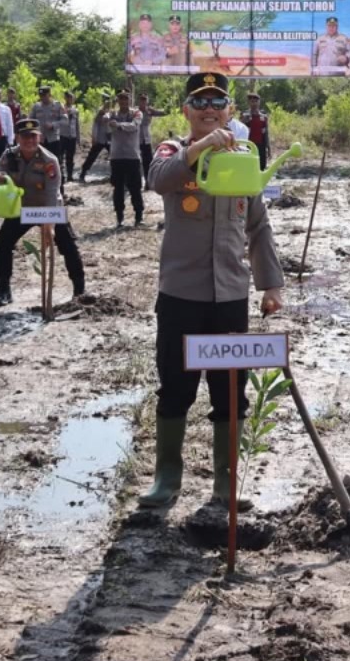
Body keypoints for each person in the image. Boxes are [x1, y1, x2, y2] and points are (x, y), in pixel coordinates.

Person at [139, 70, 284, 509]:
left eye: (217, 102)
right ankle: (167, 478)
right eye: (199, 102)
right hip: (181, 295)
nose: (208, 109)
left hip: (230, 297)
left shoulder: (243, 159)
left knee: (230, 391)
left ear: (229, 111)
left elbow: (257, 226)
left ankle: (225, 481)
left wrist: (270, 285)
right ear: (186, 111)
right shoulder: (174, 151)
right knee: (176, 387)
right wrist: (199, 148)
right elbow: (157, 179)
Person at [0, 117, 86, 306]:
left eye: (33, 136)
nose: (29, 141)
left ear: (40, 137)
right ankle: (3, 291)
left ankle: (80, 290)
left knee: (68, 246)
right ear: (17, 138)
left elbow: (52, 193)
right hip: (23, 209)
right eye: (25, 137)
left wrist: (49, 225)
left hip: (49, 208)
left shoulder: (49, 160)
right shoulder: (8, 156)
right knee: (3, 244)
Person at [106, 90, 144, 226]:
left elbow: (134, 126)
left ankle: (139, 215)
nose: (123, 102)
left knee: (135, 187)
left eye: (126, 99)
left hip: (132, 155)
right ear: (118, 101)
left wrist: (118, 126)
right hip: (117, 156)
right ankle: (119, 216)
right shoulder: (112, 114)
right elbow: (106, 122)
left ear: (130, 100)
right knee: (118, 188)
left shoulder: (136, 113)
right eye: (121, 99)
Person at [79, 93, 112, 182]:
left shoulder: (111, 112)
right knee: (92, 156)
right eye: (106, 101)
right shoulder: (100, 112)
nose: (107, 103)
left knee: (114, 156)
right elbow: (95, 124)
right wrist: (94, 137)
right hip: (100, 138)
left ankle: (116, 174)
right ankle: (83, 172)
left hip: (109, 138)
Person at [137, 93, 165, 184]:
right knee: (135, 162)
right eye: (141, 100)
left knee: (148, 162)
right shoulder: (135, 112)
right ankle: (134, 182)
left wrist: (169, 108)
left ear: (147, 101)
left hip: (146, 139)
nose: (143, 102)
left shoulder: (150, 111)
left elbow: (162, 113)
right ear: (139, 101)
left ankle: (148, 182)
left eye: (144, 100)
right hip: (136, 140)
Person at [30, 86, 65, 154]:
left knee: (54, 159)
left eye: (44, 95)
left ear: (49, 94)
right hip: (40, 140)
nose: (42, 97)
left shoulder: (58, 105)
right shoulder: (36, 106)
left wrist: (53, 125)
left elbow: (65, 121)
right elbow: (31, 121)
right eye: (40, 95)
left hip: (53, 140)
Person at [240, 93, 270, 171]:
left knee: (261, 166)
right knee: (248, 166)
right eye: (252, 101)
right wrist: (244, 120)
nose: (254, 104)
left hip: (261, 146)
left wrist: (268, 148)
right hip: (248, 145)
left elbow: (266, 133)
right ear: (248, 102)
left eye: (256, 101)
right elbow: (240, 129)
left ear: (259, 102)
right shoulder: (244, 115)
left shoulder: (263, 116)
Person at [59, 90, 80, 182]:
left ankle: (70, 175)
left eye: (71, 98)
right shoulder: (61, 109)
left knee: (70, 157)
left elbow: (77, 124)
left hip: (72, 136)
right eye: (68, 97)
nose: (70, 99)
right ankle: (61, 175)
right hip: (63, 135)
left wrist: (78, 137)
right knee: (61, 156)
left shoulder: (75, 110)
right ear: (65, 98)